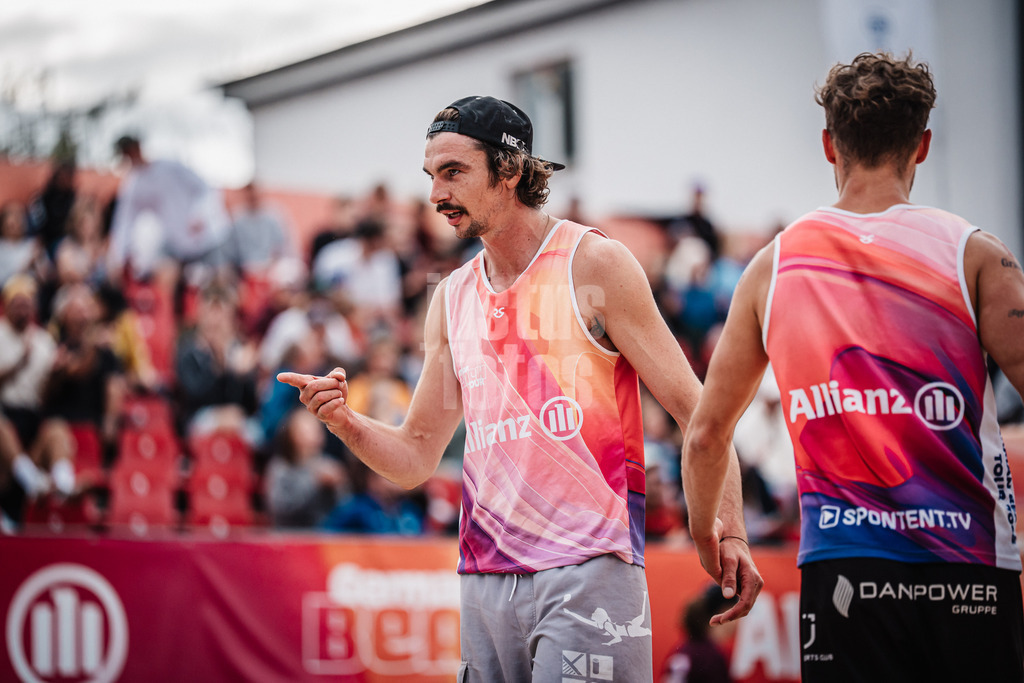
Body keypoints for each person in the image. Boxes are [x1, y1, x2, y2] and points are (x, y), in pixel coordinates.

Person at [280, 95, 761, 682]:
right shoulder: (451, 297)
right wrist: (344, 421)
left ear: (510, 171)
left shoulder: (594, 264)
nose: (436, 195)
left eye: (454, 172)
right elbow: (414, 460)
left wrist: (729, 527)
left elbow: (699, 411)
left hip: (588, 568)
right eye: (431, 176)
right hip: (485, 579)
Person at [682, 52, 1024, 682]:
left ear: (827, 145)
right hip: (970, 566)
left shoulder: (774, 267)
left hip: (844, 572)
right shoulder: (975, 254)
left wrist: (719, 540)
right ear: (922, 145)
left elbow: (705, 435)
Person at [106, 135, 231, 283]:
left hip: (207, 240)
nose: (132, 156)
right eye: (127, 154)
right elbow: (124, 221)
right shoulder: (133, 186)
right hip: (176, 246)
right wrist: (119, 256)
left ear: (139, 147)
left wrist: (199, 214)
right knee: (167, 277)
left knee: (221, 281)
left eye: (132, 150)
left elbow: (205, 188)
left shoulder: (171, 167)